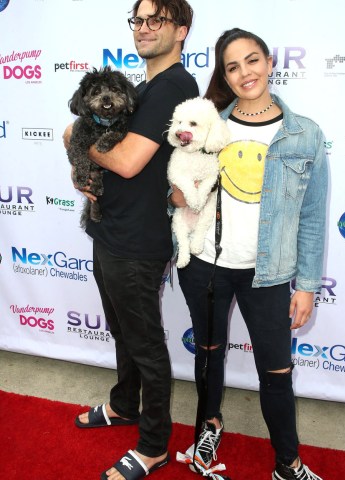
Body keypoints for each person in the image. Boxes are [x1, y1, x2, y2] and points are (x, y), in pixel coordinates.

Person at [171, 28, 328, 480]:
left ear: (269, 62)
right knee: (208, 353)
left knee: (276, 372)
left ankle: (288, 463)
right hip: (207, 267)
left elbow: (313, 217)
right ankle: (209, 425)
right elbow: (180, 179)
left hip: (270, 273)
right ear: (224, 73)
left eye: (252, 60)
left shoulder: (304, 135)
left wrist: (308, 287)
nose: (245, 73)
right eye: (233, 66)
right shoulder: (208, 124)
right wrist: (175, 197)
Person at [64, 1, 199, 479]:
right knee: (122, 333)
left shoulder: (174, 87)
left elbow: (125, 161)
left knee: (145, 345)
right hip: (108, 228)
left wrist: (73, 138)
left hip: (138, 242)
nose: (143, 28)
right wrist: (77, 149)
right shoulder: (140, 88)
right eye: (138, 20)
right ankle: (124, 404)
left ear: (181, 30)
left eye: (156, 20)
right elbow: (98, 145)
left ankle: (154, 444)